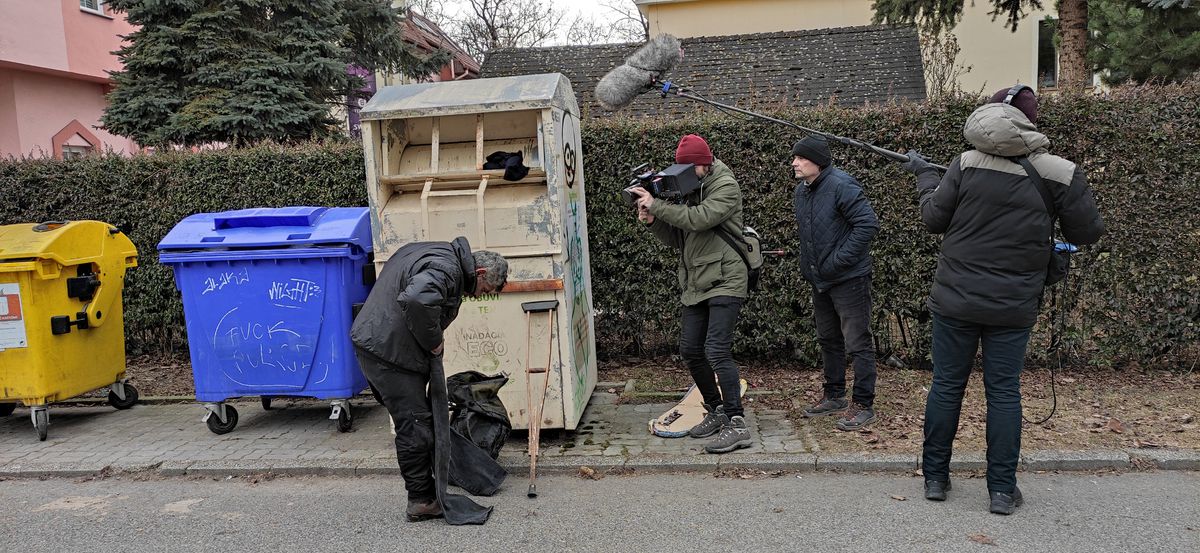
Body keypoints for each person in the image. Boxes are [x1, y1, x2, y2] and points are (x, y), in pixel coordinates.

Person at [902, 85, 1104, 515]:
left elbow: (933, 218)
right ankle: (1000, 490)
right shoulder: (1061, 172)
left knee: (946, 386)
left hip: (954, 300)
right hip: (1013, 306)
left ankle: (935, 479)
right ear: (1029, 121)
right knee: (1004, 393)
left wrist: (924, 176)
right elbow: (1086, 233)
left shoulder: (965, 163)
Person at [350, 236, 508, 522]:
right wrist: (433, 340)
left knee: (418, 419)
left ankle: (427, 488)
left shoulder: (441, 254)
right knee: (416, 425)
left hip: (382, 343)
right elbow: (415, 299)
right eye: (485, 290)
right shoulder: (448, 269)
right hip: (387, 352)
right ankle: (421, 501)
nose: (480, 295)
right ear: (481, 273)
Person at [629, 133, 752, 454]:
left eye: (687, 169)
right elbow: (679, 239)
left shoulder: (726, 186)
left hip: (726, 278)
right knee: (690, 350)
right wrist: (652, 219)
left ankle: (738, 424)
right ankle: (717, 410)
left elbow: (699, 219)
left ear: (703, 164)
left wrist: (658, 204)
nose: (681, 176)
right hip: (697, 280)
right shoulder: (690, 188)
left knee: (716, 351)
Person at [791, 135, 881, 432]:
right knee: (828, 339)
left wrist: (837, 261)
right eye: (795, 158)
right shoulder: (801, 192)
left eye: (801, 158)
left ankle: (863, 404)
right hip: (821, 281)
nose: (795, 163)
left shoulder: (842, 185)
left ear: (817, 160)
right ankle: (834, 396)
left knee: (857, 342)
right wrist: (813, 268)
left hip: (849, 278)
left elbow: (867, 224)